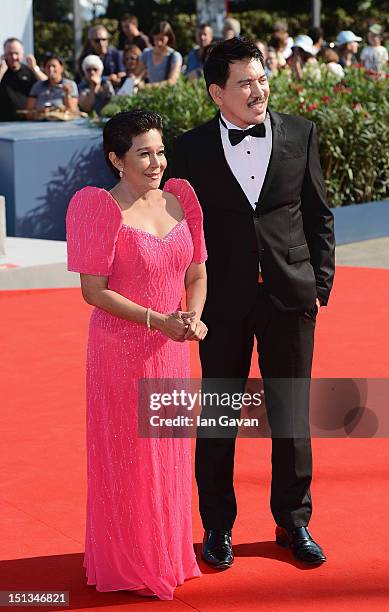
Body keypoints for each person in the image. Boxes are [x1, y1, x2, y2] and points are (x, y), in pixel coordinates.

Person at [170, 37, 335, 570]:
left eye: (262, 78)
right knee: (219, 417)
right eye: (244, 82)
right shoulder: (189, 149)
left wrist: (319, 287)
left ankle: (294, 522)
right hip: (221, 307)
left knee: (290, 418)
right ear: (218, 93)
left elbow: (318, 213)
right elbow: (179, 230)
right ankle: (217, 526)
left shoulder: (300, 134)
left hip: (290, 298)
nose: (257, 89)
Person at [66, 109, 207, 600]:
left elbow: (195, 272)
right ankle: (128, 559)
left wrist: (191, 316)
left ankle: (166, 552)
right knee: (130, 458)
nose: (156, 162)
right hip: (120, 354)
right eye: (144, 154)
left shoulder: (180, 200)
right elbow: (93, 291)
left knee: (168, 454)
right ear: (116, 159)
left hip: (171, 351)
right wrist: (158, 320)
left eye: (160, 151)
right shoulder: (98, 209)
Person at [0, 38, 47, 121]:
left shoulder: (30, 70)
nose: (14, 57)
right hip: (3, 122)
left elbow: (49, 84)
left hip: (26, 122)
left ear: (22, 54)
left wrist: (34, 68)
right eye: (10, 54)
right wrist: (2, 70)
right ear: (4, 55)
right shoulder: (1, 71)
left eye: (16, 53)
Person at [26, 53, 78, 119]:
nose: (51, 69)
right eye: (48, 67)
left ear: (61, 68)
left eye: (54, 66)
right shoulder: (37, 86)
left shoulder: (70, 85)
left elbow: (72, 111)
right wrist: (40, 112)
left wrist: (67, 94)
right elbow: (28, 112)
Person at [137, 21, 182, 88]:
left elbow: (172, 81)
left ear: (169, 38)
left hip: (166, 94)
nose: (159, 43)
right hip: (149, 95)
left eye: (162, 40)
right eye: (156, 39)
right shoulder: (146, 53)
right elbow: (137, 74)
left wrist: (148, 87)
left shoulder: (175, 56)